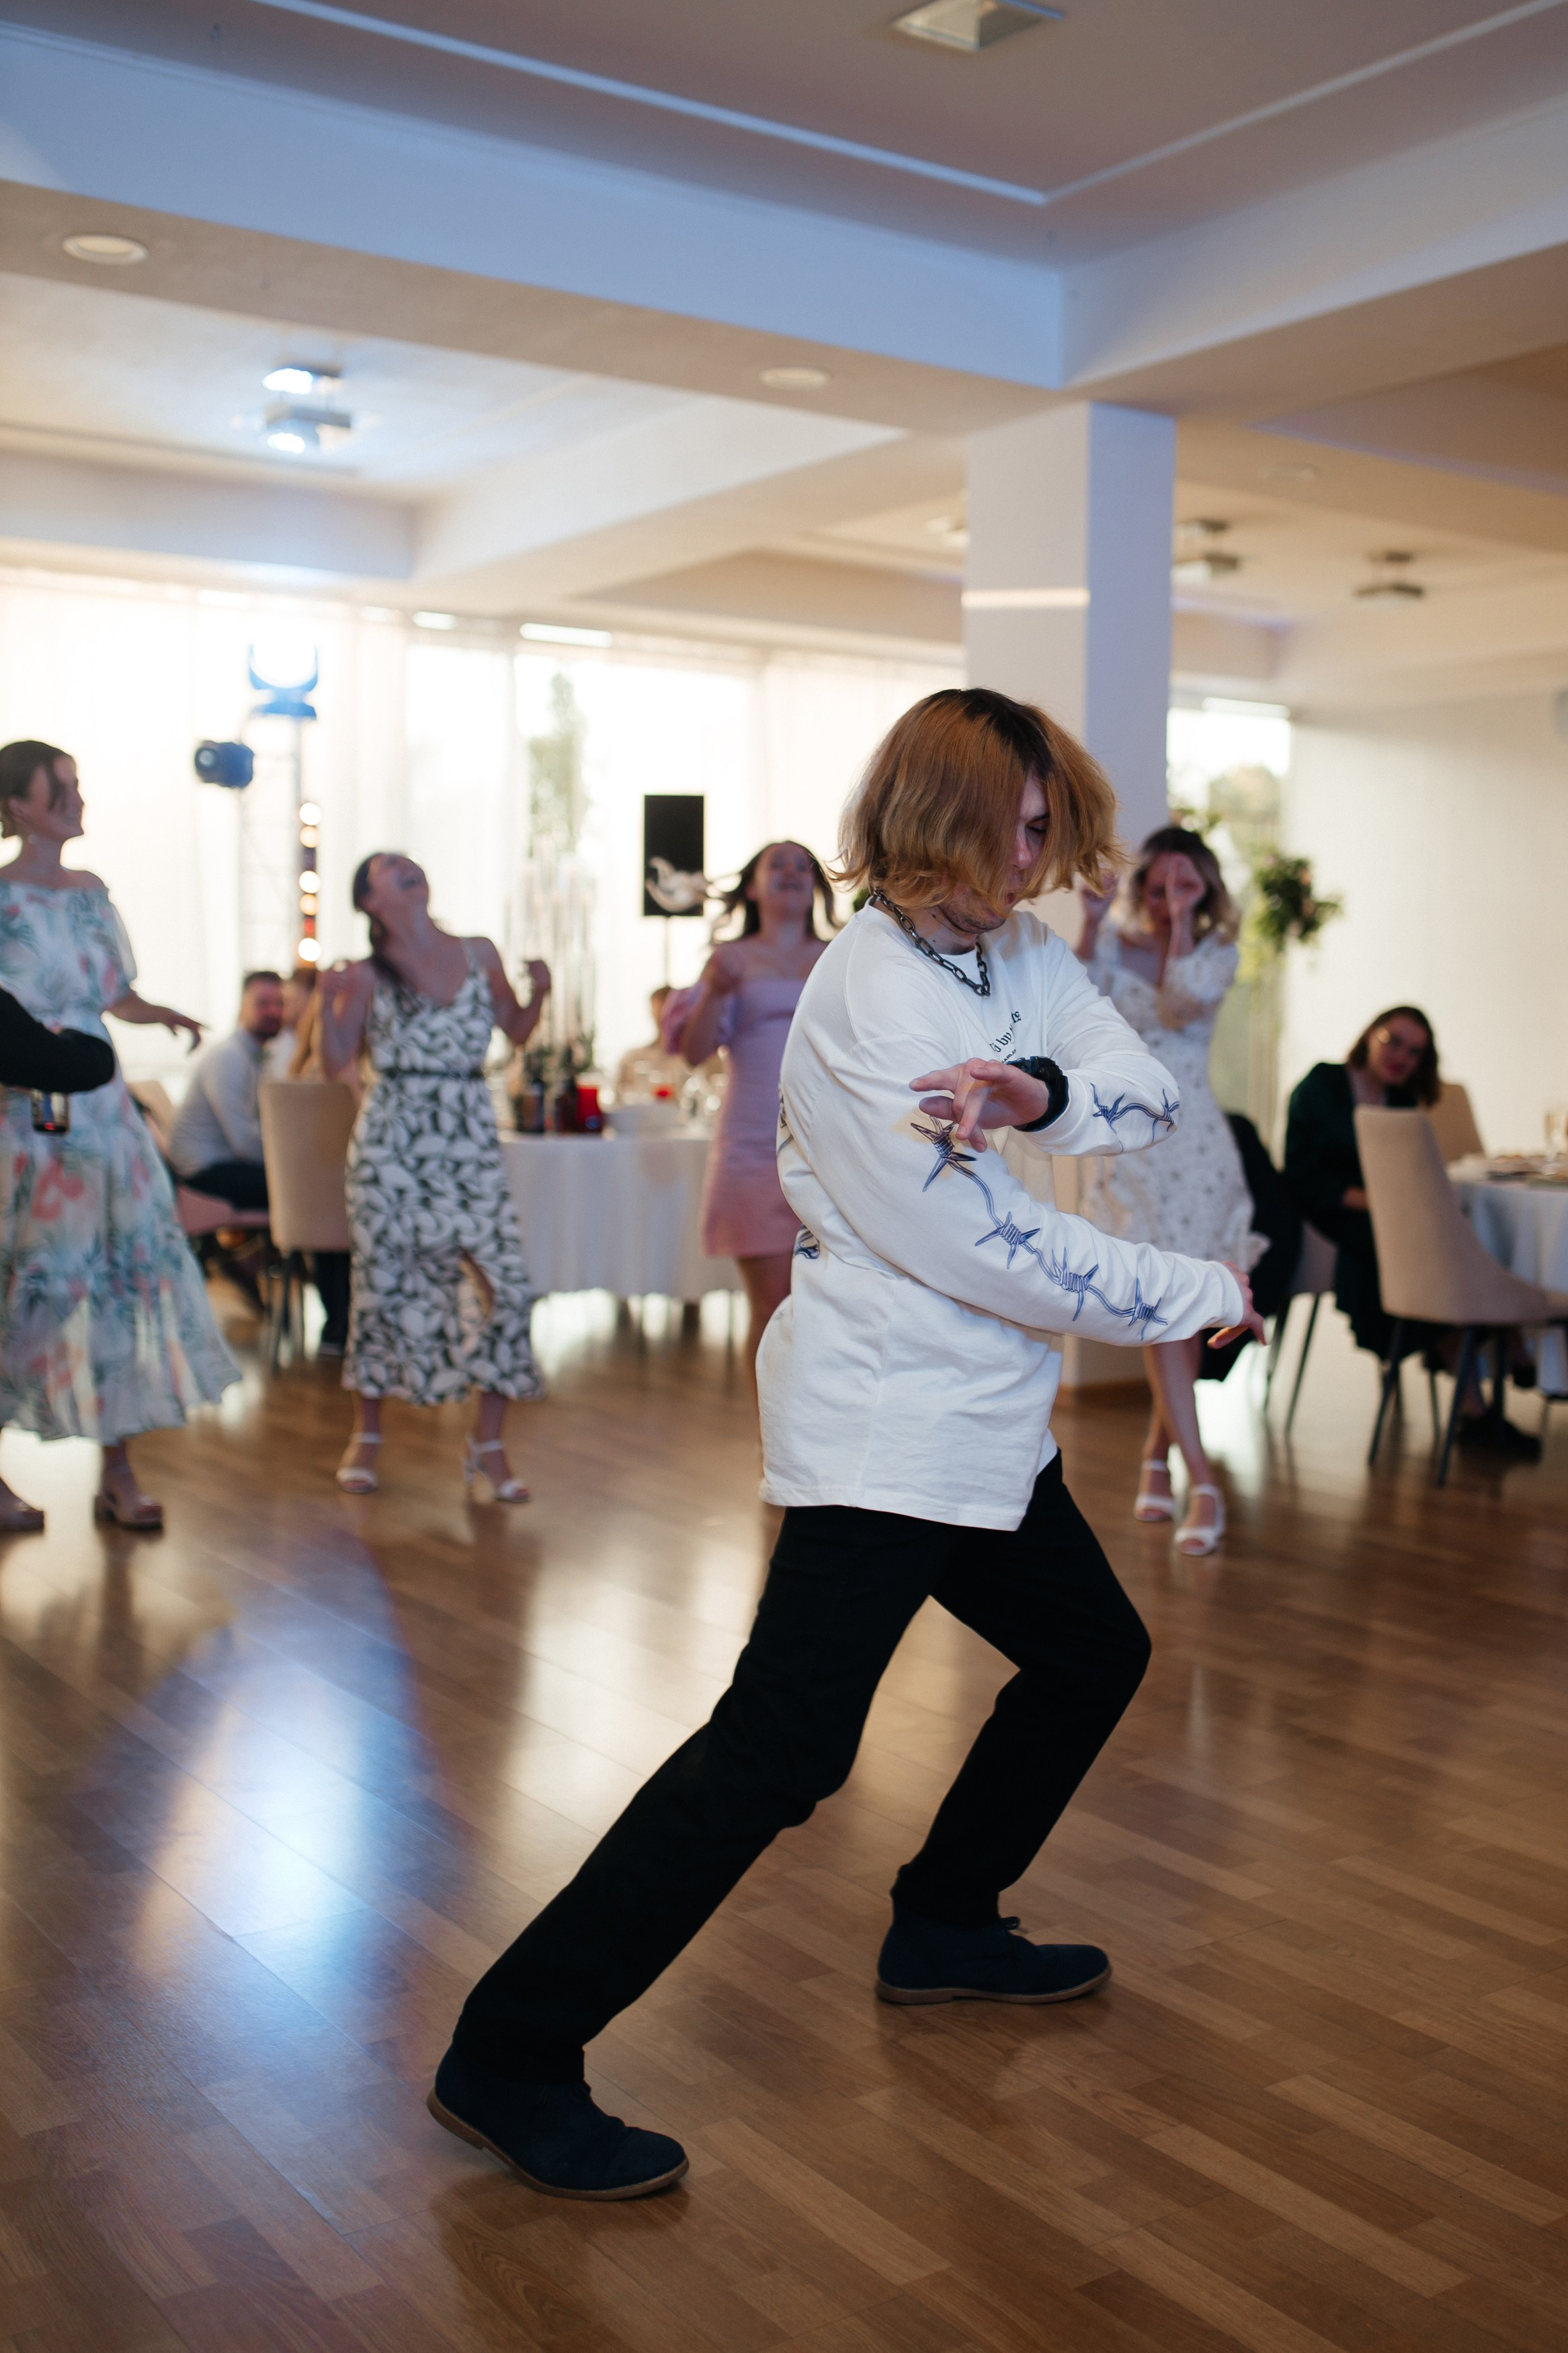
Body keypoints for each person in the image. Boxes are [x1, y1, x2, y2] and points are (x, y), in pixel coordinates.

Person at [426, 687, 1260, 2201]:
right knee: (781, 1748)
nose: (1043, 853)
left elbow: (1134, 1088)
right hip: (887, 1424)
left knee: (1090, 1653)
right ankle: (512, 2046)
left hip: (983, 1429)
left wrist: (1036, 1088)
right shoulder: (868, 1000)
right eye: (1022, 824)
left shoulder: (1018, 950)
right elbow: (982, 1245)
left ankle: (944, 1916)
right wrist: (1193, 1288)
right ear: (942, 817)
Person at [0, 739, 239, 1532]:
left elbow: (115, 992)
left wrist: (159, 1012)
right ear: (18, 806)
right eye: (60, 788)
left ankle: (120, 1470)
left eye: (76, 785)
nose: (76, 799)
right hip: (28, 1107)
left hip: (101, 1110)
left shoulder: (93, 891)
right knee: (26, 1284)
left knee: (120, 1281)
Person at [316, 853, 552, 1499]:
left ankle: (490, 1444)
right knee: (384, 1285)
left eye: (410, 862)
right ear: (369, 901)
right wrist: (325, 1003)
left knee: (505, 1283)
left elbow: (517, 1030)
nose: (410, 868)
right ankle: (366, 1435)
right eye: (391, 869)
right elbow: (332, 1062)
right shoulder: (366, 975)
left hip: (469, 1136)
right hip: (393, 1140)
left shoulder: (479, 952)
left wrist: (542, 992)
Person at [1075, 826, 1264, 1554]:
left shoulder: (1216, 953)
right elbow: (1075, 1004)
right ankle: (1200, 1474)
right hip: (1131, 1142)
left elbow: (1182, 1006)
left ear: (1206, 890)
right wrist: (1091, 921)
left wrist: (1183, 923)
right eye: (1155, 888)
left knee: (1182, 1312)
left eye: (1181, 889)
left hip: (1198, 1144)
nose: (1163, 901)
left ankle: (1157, 1460)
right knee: (1158, 1307)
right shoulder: (1115, 943)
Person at [1284, 1007, 1537, 1458]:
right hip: (1329, 1213)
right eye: (1393, 1041)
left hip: (1388, 1215)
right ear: (1369, 1037)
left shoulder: (1401, 1101)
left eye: (1414, 1052)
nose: (1401, 1056)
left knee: (1447, 1239)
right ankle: (1487, 1391)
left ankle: (1482, 1391)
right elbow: (1302, 1175)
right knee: (1423, 1256)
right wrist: (1379, 1202)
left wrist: (1398, 1204)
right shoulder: (1323, 1084)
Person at [665, 840, 838, 1378]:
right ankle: (774, 1451)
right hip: (752, 1144)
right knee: (771, 1307)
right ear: (753, 886)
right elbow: (693, 1053)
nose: (791, 872)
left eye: (802, 866)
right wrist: (715, 990)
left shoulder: (840, 955)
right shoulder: (730, 959)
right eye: (777, 865)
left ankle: (823, 1440)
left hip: (832, 1149)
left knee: (829, 1310)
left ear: (814, 885)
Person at [169, 969, 350, 1352]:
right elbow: (245, 1144)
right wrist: (297, 1167)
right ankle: (338, 1326)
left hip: (230, 1164)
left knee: (318, 1194)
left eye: (279, 1004)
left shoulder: (265, 1054)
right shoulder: (227, 1059)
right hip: (206, 1171)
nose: (273, 1012)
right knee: (315, 1199)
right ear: (242, 1008)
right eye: (263, 1004)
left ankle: (258, 1267)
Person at [613, 985, 718, 1105]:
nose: (664, 1017)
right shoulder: (632, 1059)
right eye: (659, 1011)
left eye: (669, 1012)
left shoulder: (707, 1060)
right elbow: (619, 1103)